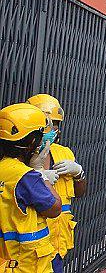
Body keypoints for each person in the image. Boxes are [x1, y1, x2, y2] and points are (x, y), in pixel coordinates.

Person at [27, 94, 87, 273]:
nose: (53, 129)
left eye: (55, 124)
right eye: (47, 123)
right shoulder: (19, 159)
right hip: (30, 253)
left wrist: (79, 173)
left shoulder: (64, 153)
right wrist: (38, 177)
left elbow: (80, 192)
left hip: (57, 247)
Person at [0, 103, 62, 273]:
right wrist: (40, 172)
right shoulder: (27, 177)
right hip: (27, 265)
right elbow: (55, 208)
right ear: (33, 142)